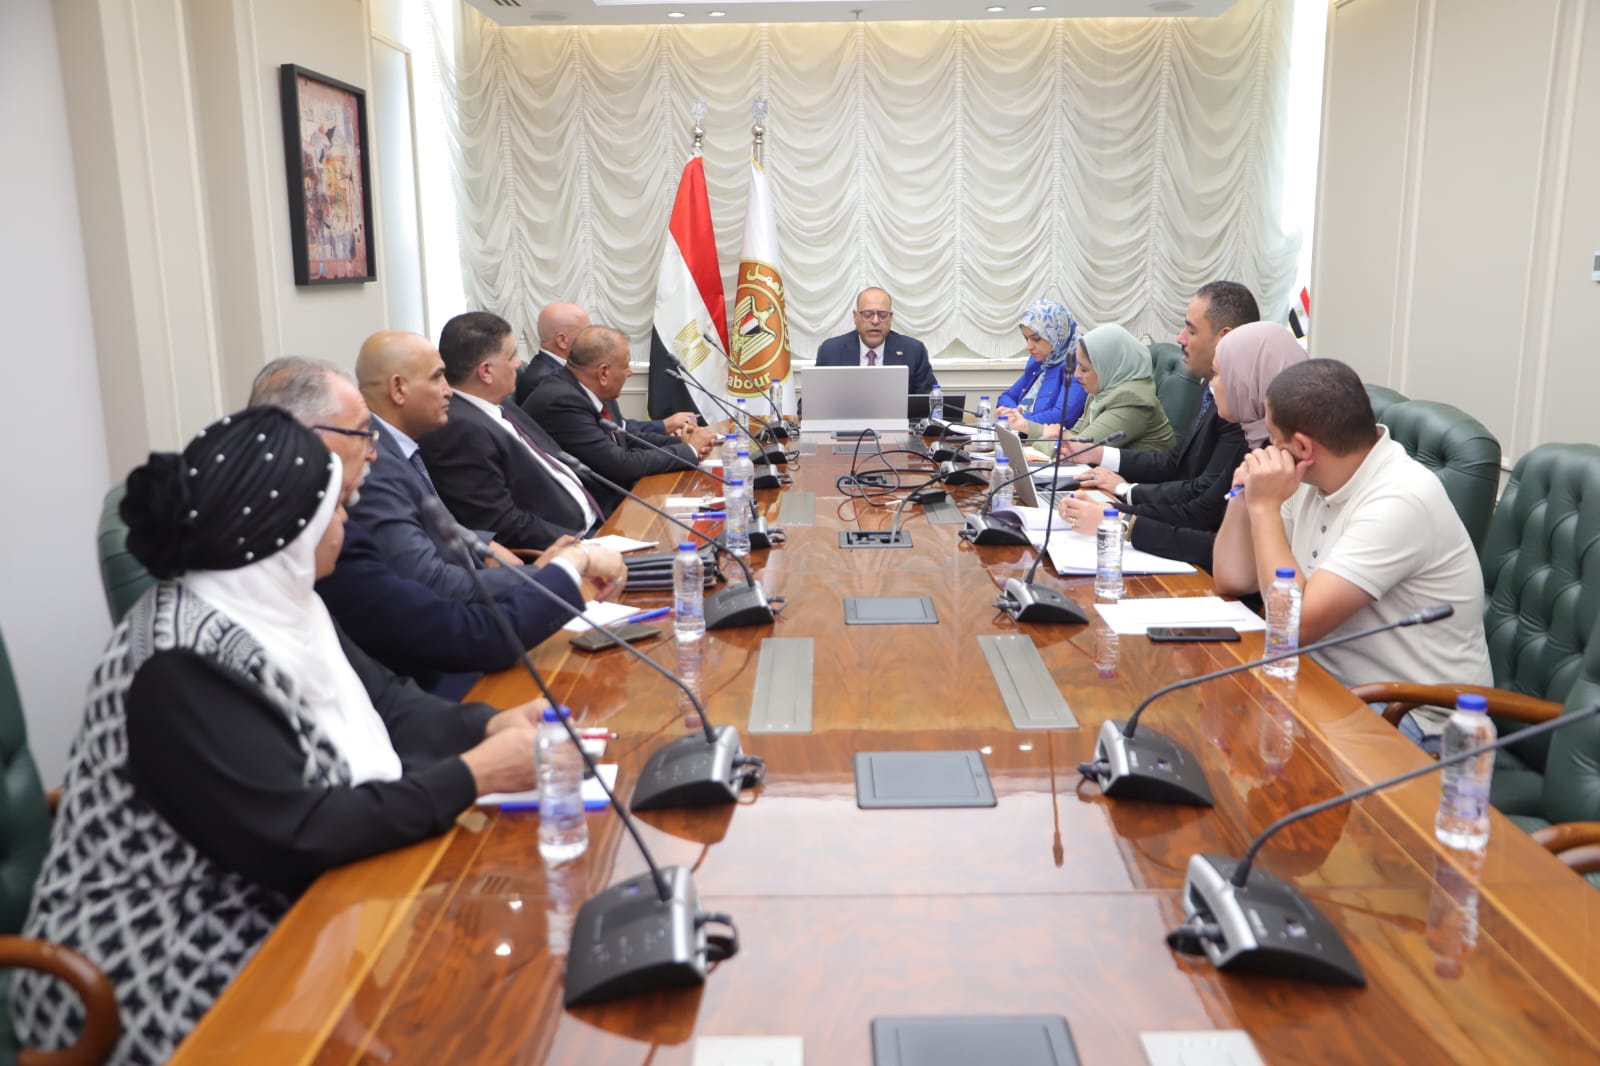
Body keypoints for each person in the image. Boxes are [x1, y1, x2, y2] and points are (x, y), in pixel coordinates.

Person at [9, 407, 551, 1064]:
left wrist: (489, 724)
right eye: (335, 508)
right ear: (284, 528)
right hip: (161, 959)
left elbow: (388, 702)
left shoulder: (284, 600)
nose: (347, 523)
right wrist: (475, 774)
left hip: (293, 899)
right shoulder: (178, 660)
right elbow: (296, 832)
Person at [248, 354, 623, 694]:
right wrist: (552, 572)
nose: (372, 451)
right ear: (309, 441)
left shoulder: (378, 471)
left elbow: (433, 528)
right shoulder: (350, 516)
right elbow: (448, 613)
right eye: (362, 433)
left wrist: (492, 547)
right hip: (445, 666)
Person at [1211, 359, 1492, 749]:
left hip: (1414, 717)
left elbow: (1292, 627)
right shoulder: (1308, 477)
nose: (1268, 450)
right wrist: (1244, 498)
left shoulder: (1401, 498)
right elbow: (1232, 578)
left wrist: (1264, 508)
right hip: (1325, 685)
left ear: (1303, 447)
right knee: (1214, 725)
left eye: (1273, 438)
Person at [1058, 319, 1298, 572]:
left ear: (1248, 381)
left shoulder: (1273, 452)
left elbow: (1213, 532)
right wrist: (1113, 511)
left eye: (1219, 375)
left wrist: (1122, 521)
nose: (1213, 384)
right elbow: (1198, 506)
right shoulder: (1252, 437)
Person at [343, 335, 533, 597]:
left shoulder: (397, 444)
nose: (449, 390)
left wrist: (482, 544)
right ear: (398, 389)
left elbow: (430, 525)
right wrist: (544, 574)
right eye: (437, 377)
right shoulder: (374, 466)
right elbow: (430, 581)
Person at [420, 311, 603, 550]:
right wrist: (585, 547)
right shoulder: (458, 430)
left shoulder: (501, 403)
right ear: (486, 371)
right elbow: (503, 524)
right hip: (569, 545)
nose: (518, 363)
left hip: (598, 524)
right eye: (512, 356)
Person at [524, 325, 711, 514]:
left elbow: (625, 437)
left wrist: (681, 442)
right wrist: (688, 450)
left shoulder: (592, 388)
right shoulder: (561, 401)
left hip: (615, 495)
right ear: (603, 373)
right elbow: (620, 464)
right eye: (625, 365)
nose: (630, 372)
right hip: (590, 510)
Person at [1009, 323, 1174, 452]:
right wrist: (1025, 426)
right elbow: (1076, 434)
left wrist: (1043, 438)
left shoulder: (1131, 399)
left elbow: (1078, 450)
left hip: (1136, 485)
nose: (1076, 375)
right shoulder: (1102, 390)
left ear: (1107, 366)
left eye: (1084, 369)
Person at [814, 287, 938, 396]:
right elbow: (813, 401)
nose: (875, 321)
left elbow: (929, 402)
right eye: (867, 314)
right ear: (855, 317)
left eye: (882, 315)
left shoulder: (913, 351)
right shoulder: (831, 351)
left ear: (890, 318)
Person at [993, 299, 1087, 433]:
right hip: (1022, 434)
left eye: (1036, 339)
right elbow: (1007, 397)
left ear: (1057, 334)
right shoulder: (1040, 360)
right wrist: (1012, 414)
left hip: (1048, 441)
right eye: (1026, 338)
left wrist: (1019, 421)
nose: (1029, 346)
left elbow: (1063, 417)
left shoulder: (1078, 363)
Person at [514, 300, 587, 406]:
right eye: (586, 334)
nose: (592, 340)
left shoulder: (556, 369)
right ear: (562, 341)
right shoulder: (544, 381)